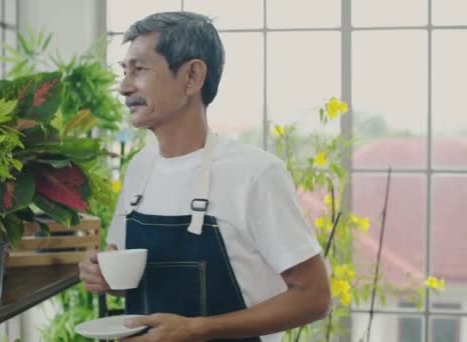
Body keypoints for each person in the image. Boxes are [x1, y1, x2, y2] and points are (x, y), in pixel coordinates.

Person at [78, 11, 331, 342]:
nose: (124, 87)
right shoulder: (140, 167)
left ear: (192, 76)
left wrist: (197, 330)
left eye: (139, 70)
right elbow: (139, 284)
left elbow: (314, 297)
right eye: (123, 72)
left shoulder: (255, 173)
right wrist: (105, 277)